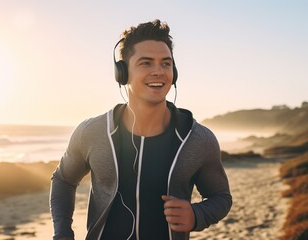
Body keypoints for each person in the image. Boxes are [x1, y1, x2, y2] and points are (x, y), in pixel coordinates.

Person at [50, 19, 232, 240]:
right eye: (146, 63)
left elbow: (220, 197)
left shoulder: (198, 139)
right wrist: (62, 232)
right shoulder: (91, 132)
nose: (159, 71)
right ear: (123, 73)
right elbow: (63, 180)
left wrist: (197, 214)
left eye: (166, 63)